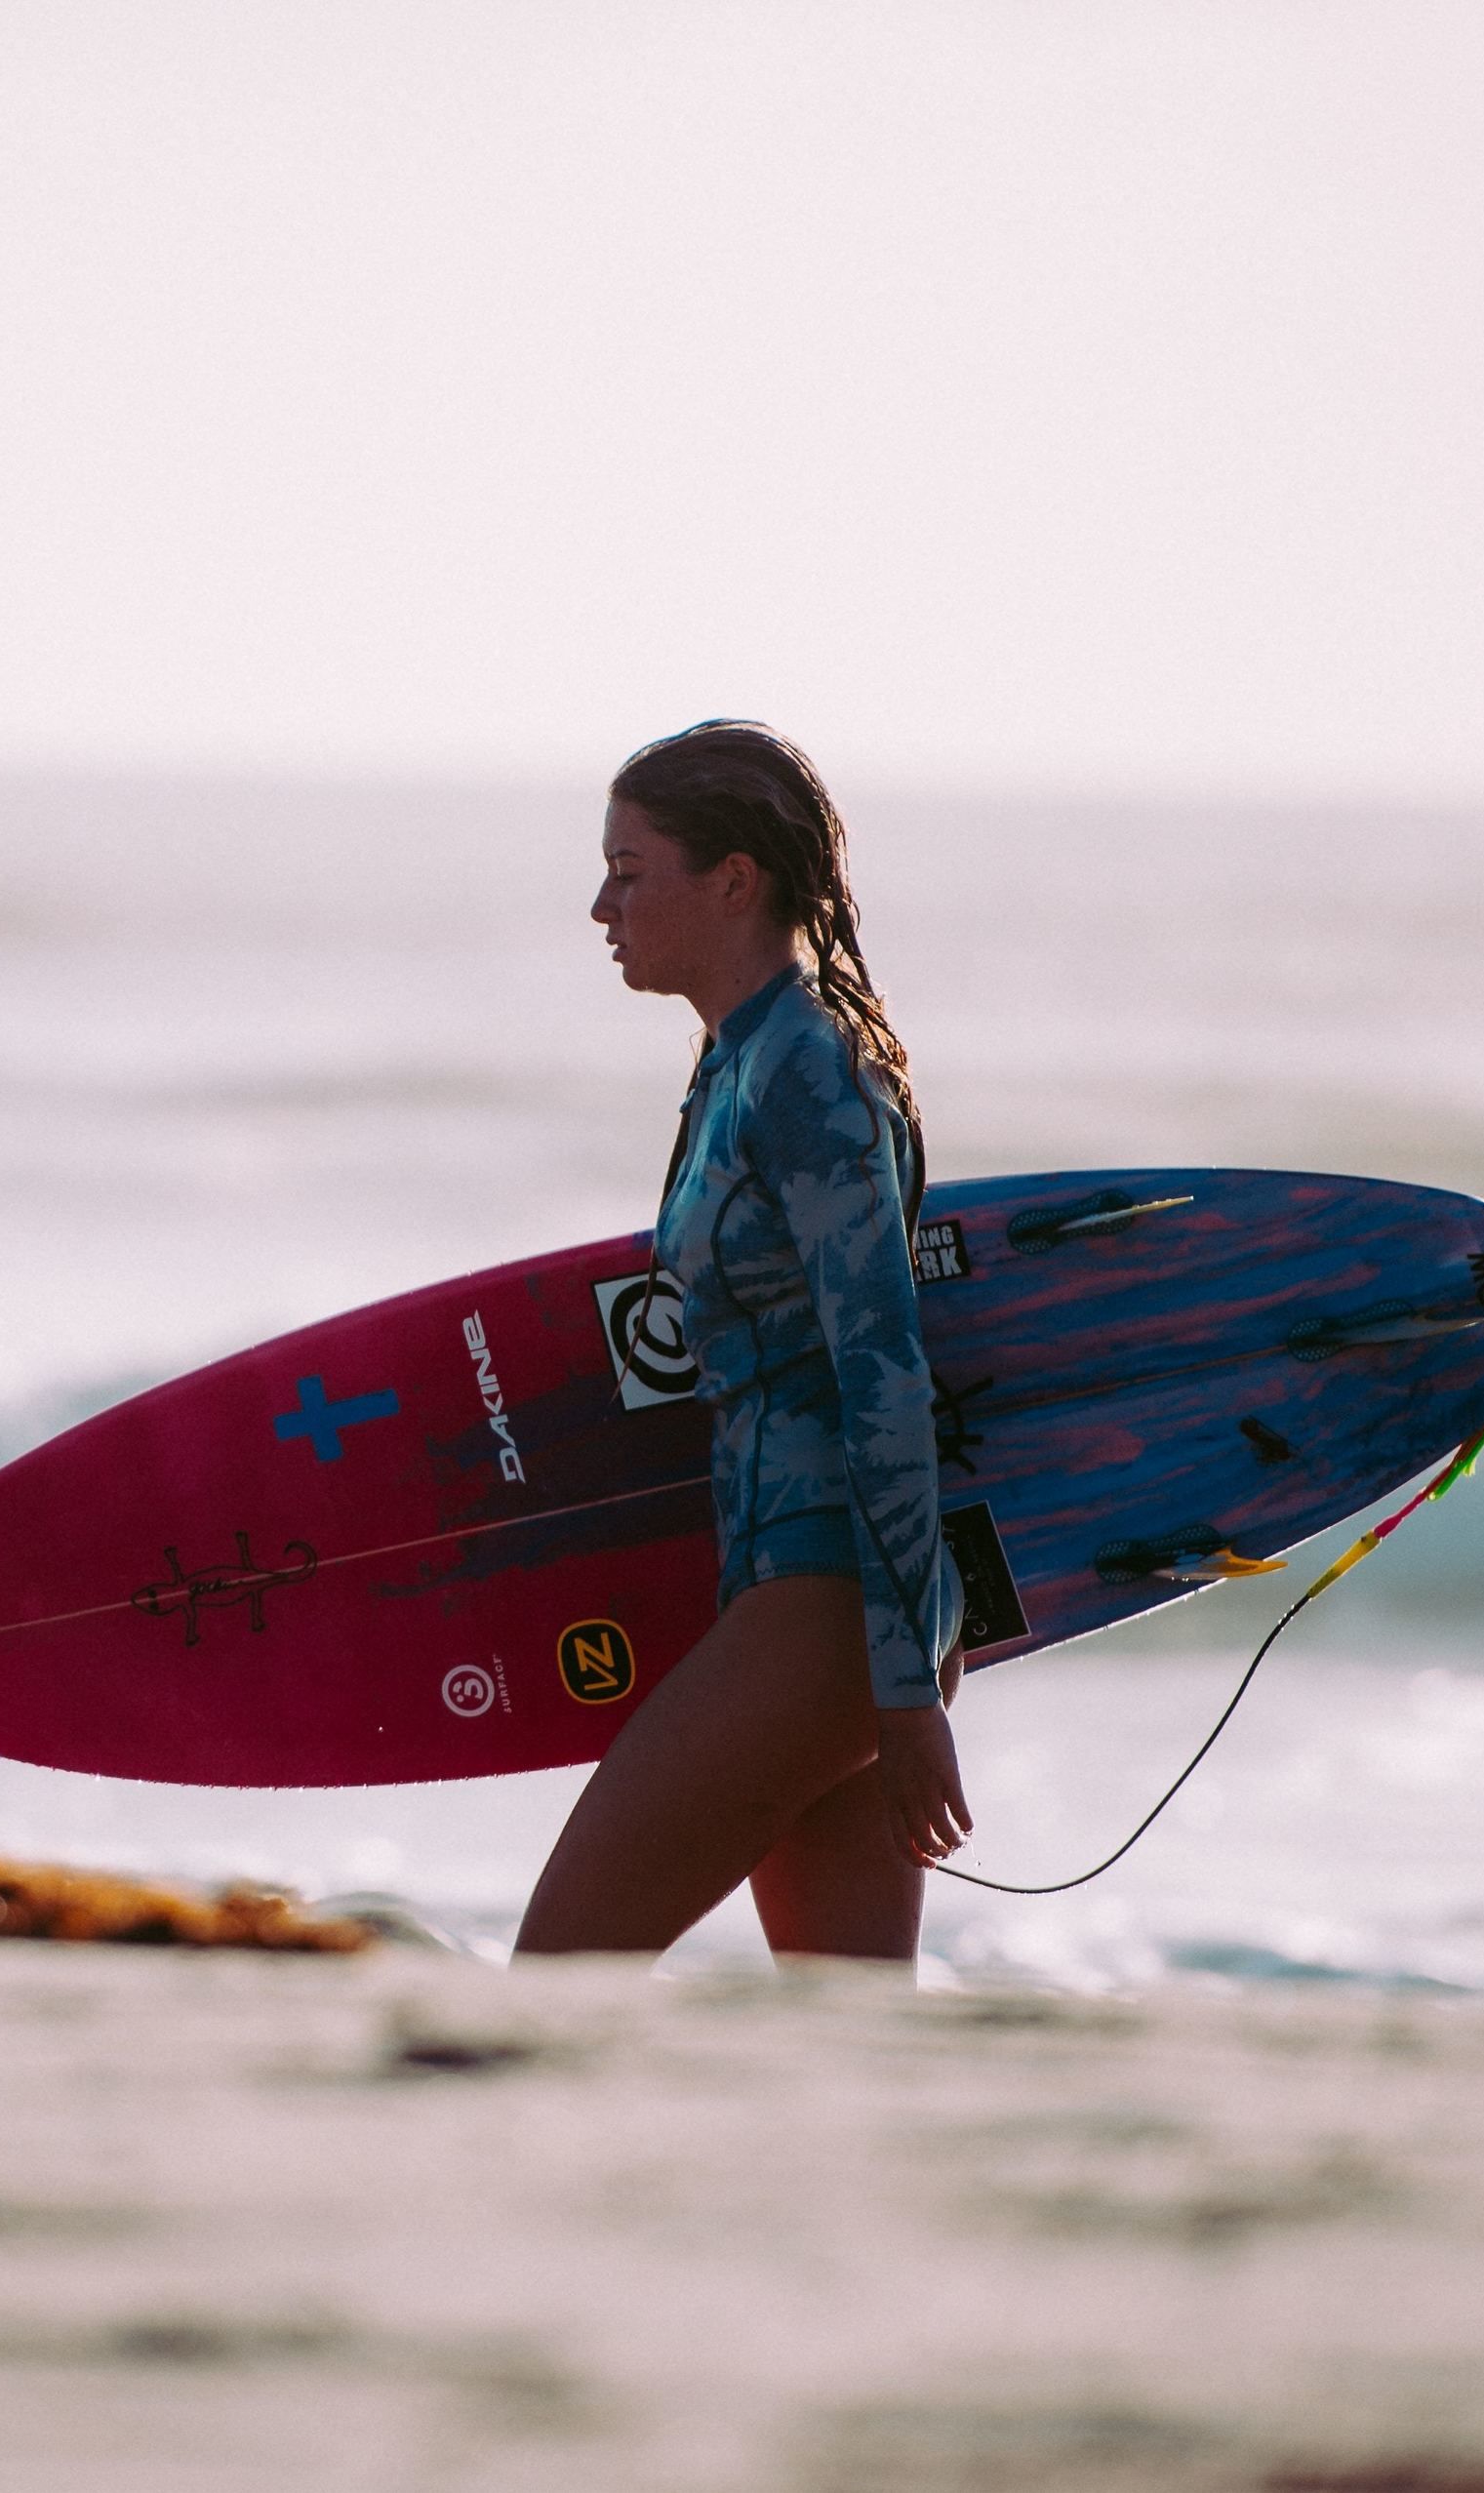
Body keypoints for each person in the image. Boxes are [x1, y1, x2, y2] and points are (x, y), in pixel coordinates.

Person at [514, 721, 969, 1962]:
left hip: (821, 1612)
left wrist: (905, 1680)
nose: (601, 903)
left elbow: (882, 1373)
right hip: (787, 1601)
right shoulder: (737, 1064)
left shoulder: (808, 1076)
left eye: (630, 867)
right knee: (848, 2026)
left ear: (732, 879)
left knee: (554, 1975)